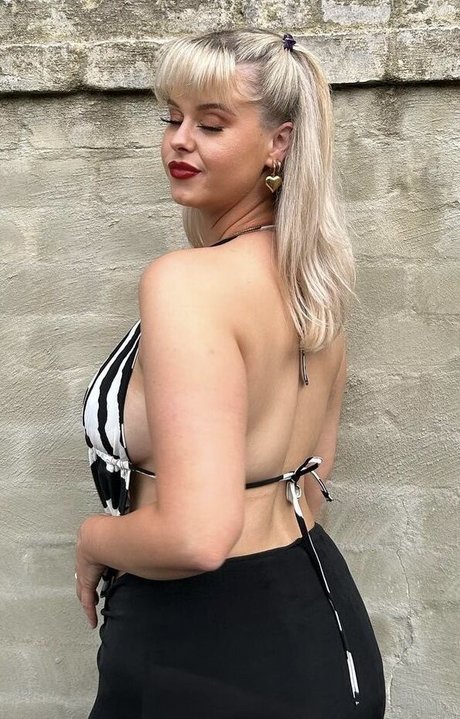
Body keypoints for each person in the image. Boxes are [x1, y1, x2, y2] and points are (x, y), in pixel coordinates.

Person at [75, 28, 387, 719]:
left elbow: (195, 535)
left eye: (211, 124)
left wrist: (94, 538)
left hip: (203, 648)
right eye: (172, 117)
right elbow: (311, 482)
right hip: (324, 631)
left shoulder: (187, 283)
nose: (179, 141)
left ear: (279, 143)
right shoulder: (313, 283)